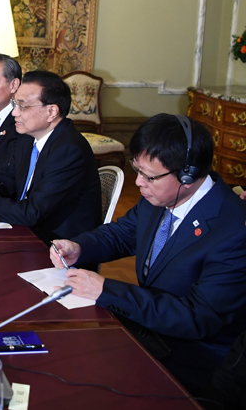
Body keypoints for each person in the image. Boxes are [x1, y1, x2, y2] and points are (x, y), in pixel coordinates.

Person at [50, 114, 246, 398]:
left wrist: (107, 290)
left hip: (192, 359)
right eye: (137, 170)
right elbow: (122, 234)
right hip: (150, 329)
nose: (139, 182)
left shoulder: (233, 231)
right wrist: (79, 247)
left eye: (149, 176)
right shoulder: (160, 196)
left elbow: (198, 317)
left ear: (187, 175)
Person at [0, 70, 101, 243]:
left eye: (23, 106)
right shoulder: (28, 139)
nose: (14, 113)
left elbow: (33, 212)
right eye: (15, 104)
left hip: (57, 245)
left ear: (52, 112)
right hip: (27, 230)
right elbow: (3, 178)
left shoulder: (69, 150)